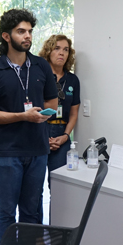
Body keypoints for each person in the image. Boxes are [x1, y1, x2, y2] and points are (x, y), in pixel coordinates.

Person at [0, 9, 58, 240]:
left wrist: (44, 115)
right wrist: (22, 116)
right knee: (6, 211)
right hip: (8, 152)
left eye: (30, 31)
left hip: (37, 149)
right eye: (21, 31)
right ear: (6, 36)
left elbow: (52, 103)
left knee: (32, 210)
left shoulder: (42, 66)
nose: (28, 36)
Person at [39, 34, 80, 180]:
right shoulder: (39, 76)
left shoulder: (73, 80)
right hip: (39, 131)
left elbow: (74, 114)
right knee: (35, 187)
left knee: (59, 185)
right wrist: (45, 137)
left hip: (62, 135)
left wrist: (65, 136)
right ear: (48, 51)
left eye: (66, 49)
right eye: (56, 48)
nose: (62, 52)